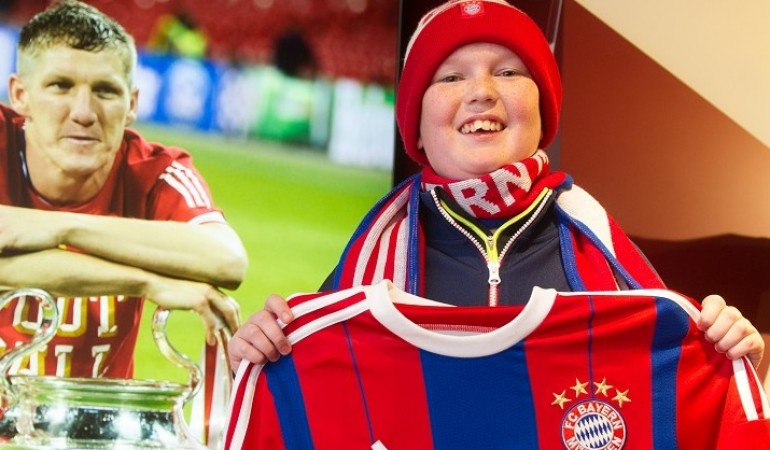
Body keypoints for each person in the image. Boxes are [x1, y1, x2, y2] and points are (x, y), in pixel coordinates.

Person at [228, 0, 763, 373]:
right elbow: (315, 390)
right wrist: (259, 355)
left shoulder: (598, 243)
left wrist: (724, 360)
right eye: (450, 77)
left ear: (542, 109)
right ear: (416, 126)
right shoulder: (371, 255)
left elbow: (667, 387)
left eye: (507, 72)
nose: (481, 91)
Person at [0, 0, 247, 379]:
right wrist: (146, 281)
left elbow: (227, 260)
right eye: (60, 86)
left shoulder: (155, 171)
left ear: (131, 105)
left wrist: (63, 228)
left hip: (94, 414)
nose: (84, 112)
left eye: (105, 91)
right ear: (20, 95)